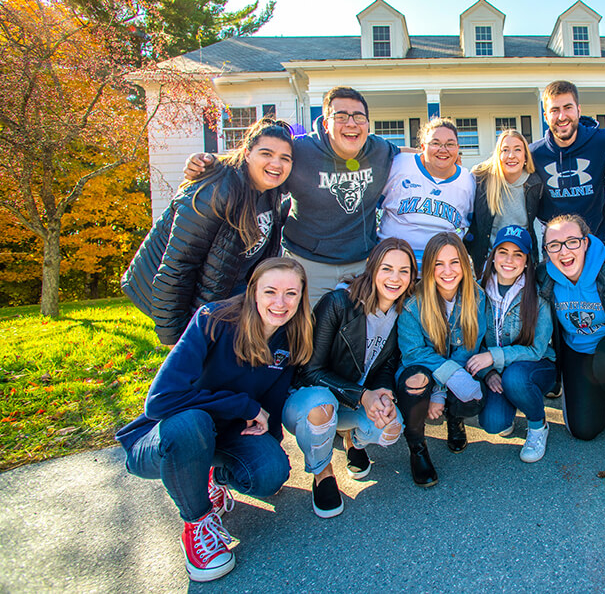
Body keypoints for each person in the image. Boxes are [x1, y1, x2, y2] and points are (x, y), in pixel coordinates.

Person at [115, 257, 312, 582]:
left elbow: (272, 405)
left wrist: (270, 447)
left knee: (270, 473)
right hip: (170, 436)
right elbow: (160, 401)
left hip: (227, 434)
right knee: (192, 423)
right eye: (271, 291)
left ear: (301, 297)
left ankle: (212, 475)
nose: (280, 302)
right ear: (253, 292)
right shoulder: (213, 319)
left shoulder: (290, 338)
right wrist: (242, 406)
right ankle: (196, 522)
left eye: (291, 293)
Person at [185, 87, 401, 305]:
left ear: (367, 124)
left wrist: (432, 154)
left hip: (360, 264)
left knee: (355, 331)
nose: (351, 123)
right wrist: (209, 162)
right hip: (307, 263)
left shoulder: (380, 150)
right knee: (306, 333)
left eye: (359, 117)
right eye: (341, 116)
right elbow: (258, 162)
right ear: (326, 124)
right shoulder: (300, 150)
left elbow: (413, 156)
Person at [123, 118, 294, 344]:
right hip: (177, 296)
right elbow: (177, 267)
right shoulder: (214, 192)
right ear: (247, 153)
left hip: (224, 296)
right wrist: (176, 338)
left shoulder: (271, 191)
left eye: (285, 158)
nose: (276, 163)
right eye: (266, 154)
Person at [281, 238, 416, 517]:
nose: (395, 278)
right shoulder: (339, 303)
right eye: (387, 268)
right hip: (311, 397)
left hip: (355, 397)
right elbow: (310, 371)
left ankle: (352, 440)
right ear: (372, 268)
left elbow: (386, 364)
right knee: (321, 407)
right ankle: (322, 472)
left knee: (391, 428)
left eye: (404, 271)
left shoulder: (400, 311)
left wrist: (382, 392)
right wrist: (362, 396)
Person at [537, 214, 605, 448]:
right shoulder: (543, 276)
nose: (563, 252)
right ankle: (602, 389)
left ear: (585, 242)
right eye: (554, 245)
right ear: (547, 250)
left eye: (572, 241)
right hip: (577, 350)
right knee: (583, 430)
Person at [395, 231, 487, 486]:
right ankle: (418, 449)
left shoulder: (476, 297)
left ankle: (455, 421)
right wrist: (439, 386)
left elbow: (470, 346)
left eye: (454, 262)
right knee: (416, 382)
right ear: (428, 268)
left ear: (464, 264)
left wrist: (442, 392)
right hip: (420, 370)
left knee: (473, 394)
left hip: (456, 368)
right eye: (439, 264)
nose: (448, 271)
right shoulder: (413, 303)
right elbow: (413, 353)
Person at [472, 225, 557, 462]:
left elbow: (537, 349)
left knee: (516, 378)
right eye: (503, 252)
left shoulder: (538, 295)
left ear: (527, 261)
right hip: (498, 373)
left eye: (518, 254)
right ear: (493, 256)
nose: (509, 260)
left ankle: (538, 425)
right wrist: (488, 373)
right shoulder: (477, 291)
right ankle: (514, 400)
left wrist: (494, 357)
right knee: (493, 423)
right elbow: (471, 340)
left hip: (535, 367)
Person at [530, 80, 605, 240]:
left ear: (579, 110)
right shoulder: (534, 154)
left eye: (568, 108)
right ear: (545, 116)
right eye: (554, 110)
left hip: (596, 245)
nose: (562, 116)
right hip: (556, 248)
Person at [379, 118, 476, 265]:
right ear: (423, 146)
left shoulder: (467, 181)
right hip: (392, 264)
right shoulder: (399, 164)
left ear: (457, 148)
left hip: (441, 270)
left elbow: (472, 225)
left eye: (450, 144)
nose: (443, 150)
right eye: (435, 143)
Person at [467, 129, 543, 275]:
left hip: (520, 263)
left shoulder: (535, 184)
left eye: (517, 150)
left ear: (525, 156)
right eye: (505, 150)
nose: (511, 155)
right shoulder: (481, 179)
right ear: (498, 155)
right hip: (487, 262)